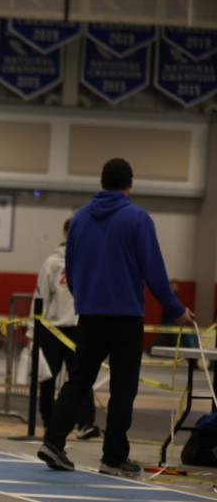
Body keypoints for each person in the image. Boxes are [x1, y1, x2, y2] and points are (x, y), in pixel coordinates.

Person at [38, 158, 194, 477]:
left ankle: (53, 442)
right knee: (123, 387)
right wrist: (176, 308)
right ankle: (113, 457)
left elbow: (72, 268)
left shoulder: (80, 218)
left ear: (101, 182)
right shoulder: (138, 218)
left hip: (89, 314)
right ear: (130, 184)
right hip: (125, 316)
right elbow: (154, 270)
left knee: (79, 379)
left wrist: (84, 299)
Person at [34, 218, 98, 439]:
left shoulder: (90, 262)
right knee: (49, 378)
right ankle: (49, 422)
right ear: (66, 234)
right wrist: (33, 328)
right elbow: (40, 296)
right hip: (52, 328)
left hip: (79, 328)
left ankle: (85, 423)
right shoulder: (52, 263)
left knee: (82, 376)